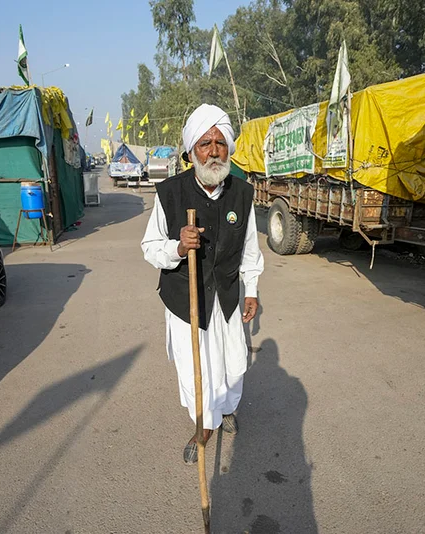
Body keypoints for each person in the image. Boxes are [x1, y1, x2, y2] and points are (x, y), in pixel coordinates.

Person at [141, 104, 264, 464]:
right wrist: (178, 247)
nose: (213, 151)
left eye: (220, 143)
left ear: (229, 148)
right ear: (191, 151)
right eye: (205, 143)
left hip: (225, 298)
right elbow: (150, 247)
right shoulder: (169, 193)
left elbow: (251, 248)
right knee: (197, 371)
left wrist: (252, 289)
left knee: (230, 364)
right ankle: (202, 428)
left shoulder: (242, 194)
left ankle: (225, 409)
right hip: (186, 301)